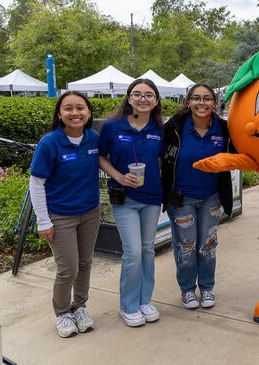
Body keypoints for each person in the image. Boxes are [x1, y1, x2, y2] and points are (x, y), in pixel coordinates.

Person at [29, 91, 100, 338]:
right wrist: (43, 220)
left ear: (89, 113)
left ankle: (80, 307)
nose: (75, 113)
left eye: (80, 108)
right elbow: (36, 184)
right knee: (67, 268)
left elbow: (109, 162)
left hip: (90, 212)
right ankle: (62, 313)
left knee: (84, 263)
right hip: (60, 216)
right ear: (59, 114)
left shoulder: (93, 139)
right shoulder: (50, 143)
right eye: (68, 108)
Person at [98, 78, 164, 327]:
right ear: (128, 97)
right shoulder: (112, 127)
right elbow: (101, 157)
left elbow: (160, 158)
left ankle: (145, 300)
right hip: (124, 198)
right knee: (133, 252)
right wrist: (118, 176)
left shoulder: (159, 128)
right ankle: (128, 305)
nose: (143, 98)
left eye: (148, 95)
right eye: (137, 94)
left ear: (156, 100)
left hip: (151, 197)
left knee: (147, 249)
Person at [162, 83, 233, 310]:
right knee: (186, 246)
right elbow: (161, 158)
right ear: (188, 102)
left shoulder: (223, 128)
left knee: (208, 245)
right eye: (196, 98)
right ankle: (188, 290)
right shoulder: (175, 126)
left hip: (211, 197)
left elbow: (239, 152)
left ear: (214, 103)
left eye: (206, 99)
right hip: (182, 199)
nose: (201, 103)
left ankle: (207, 287)